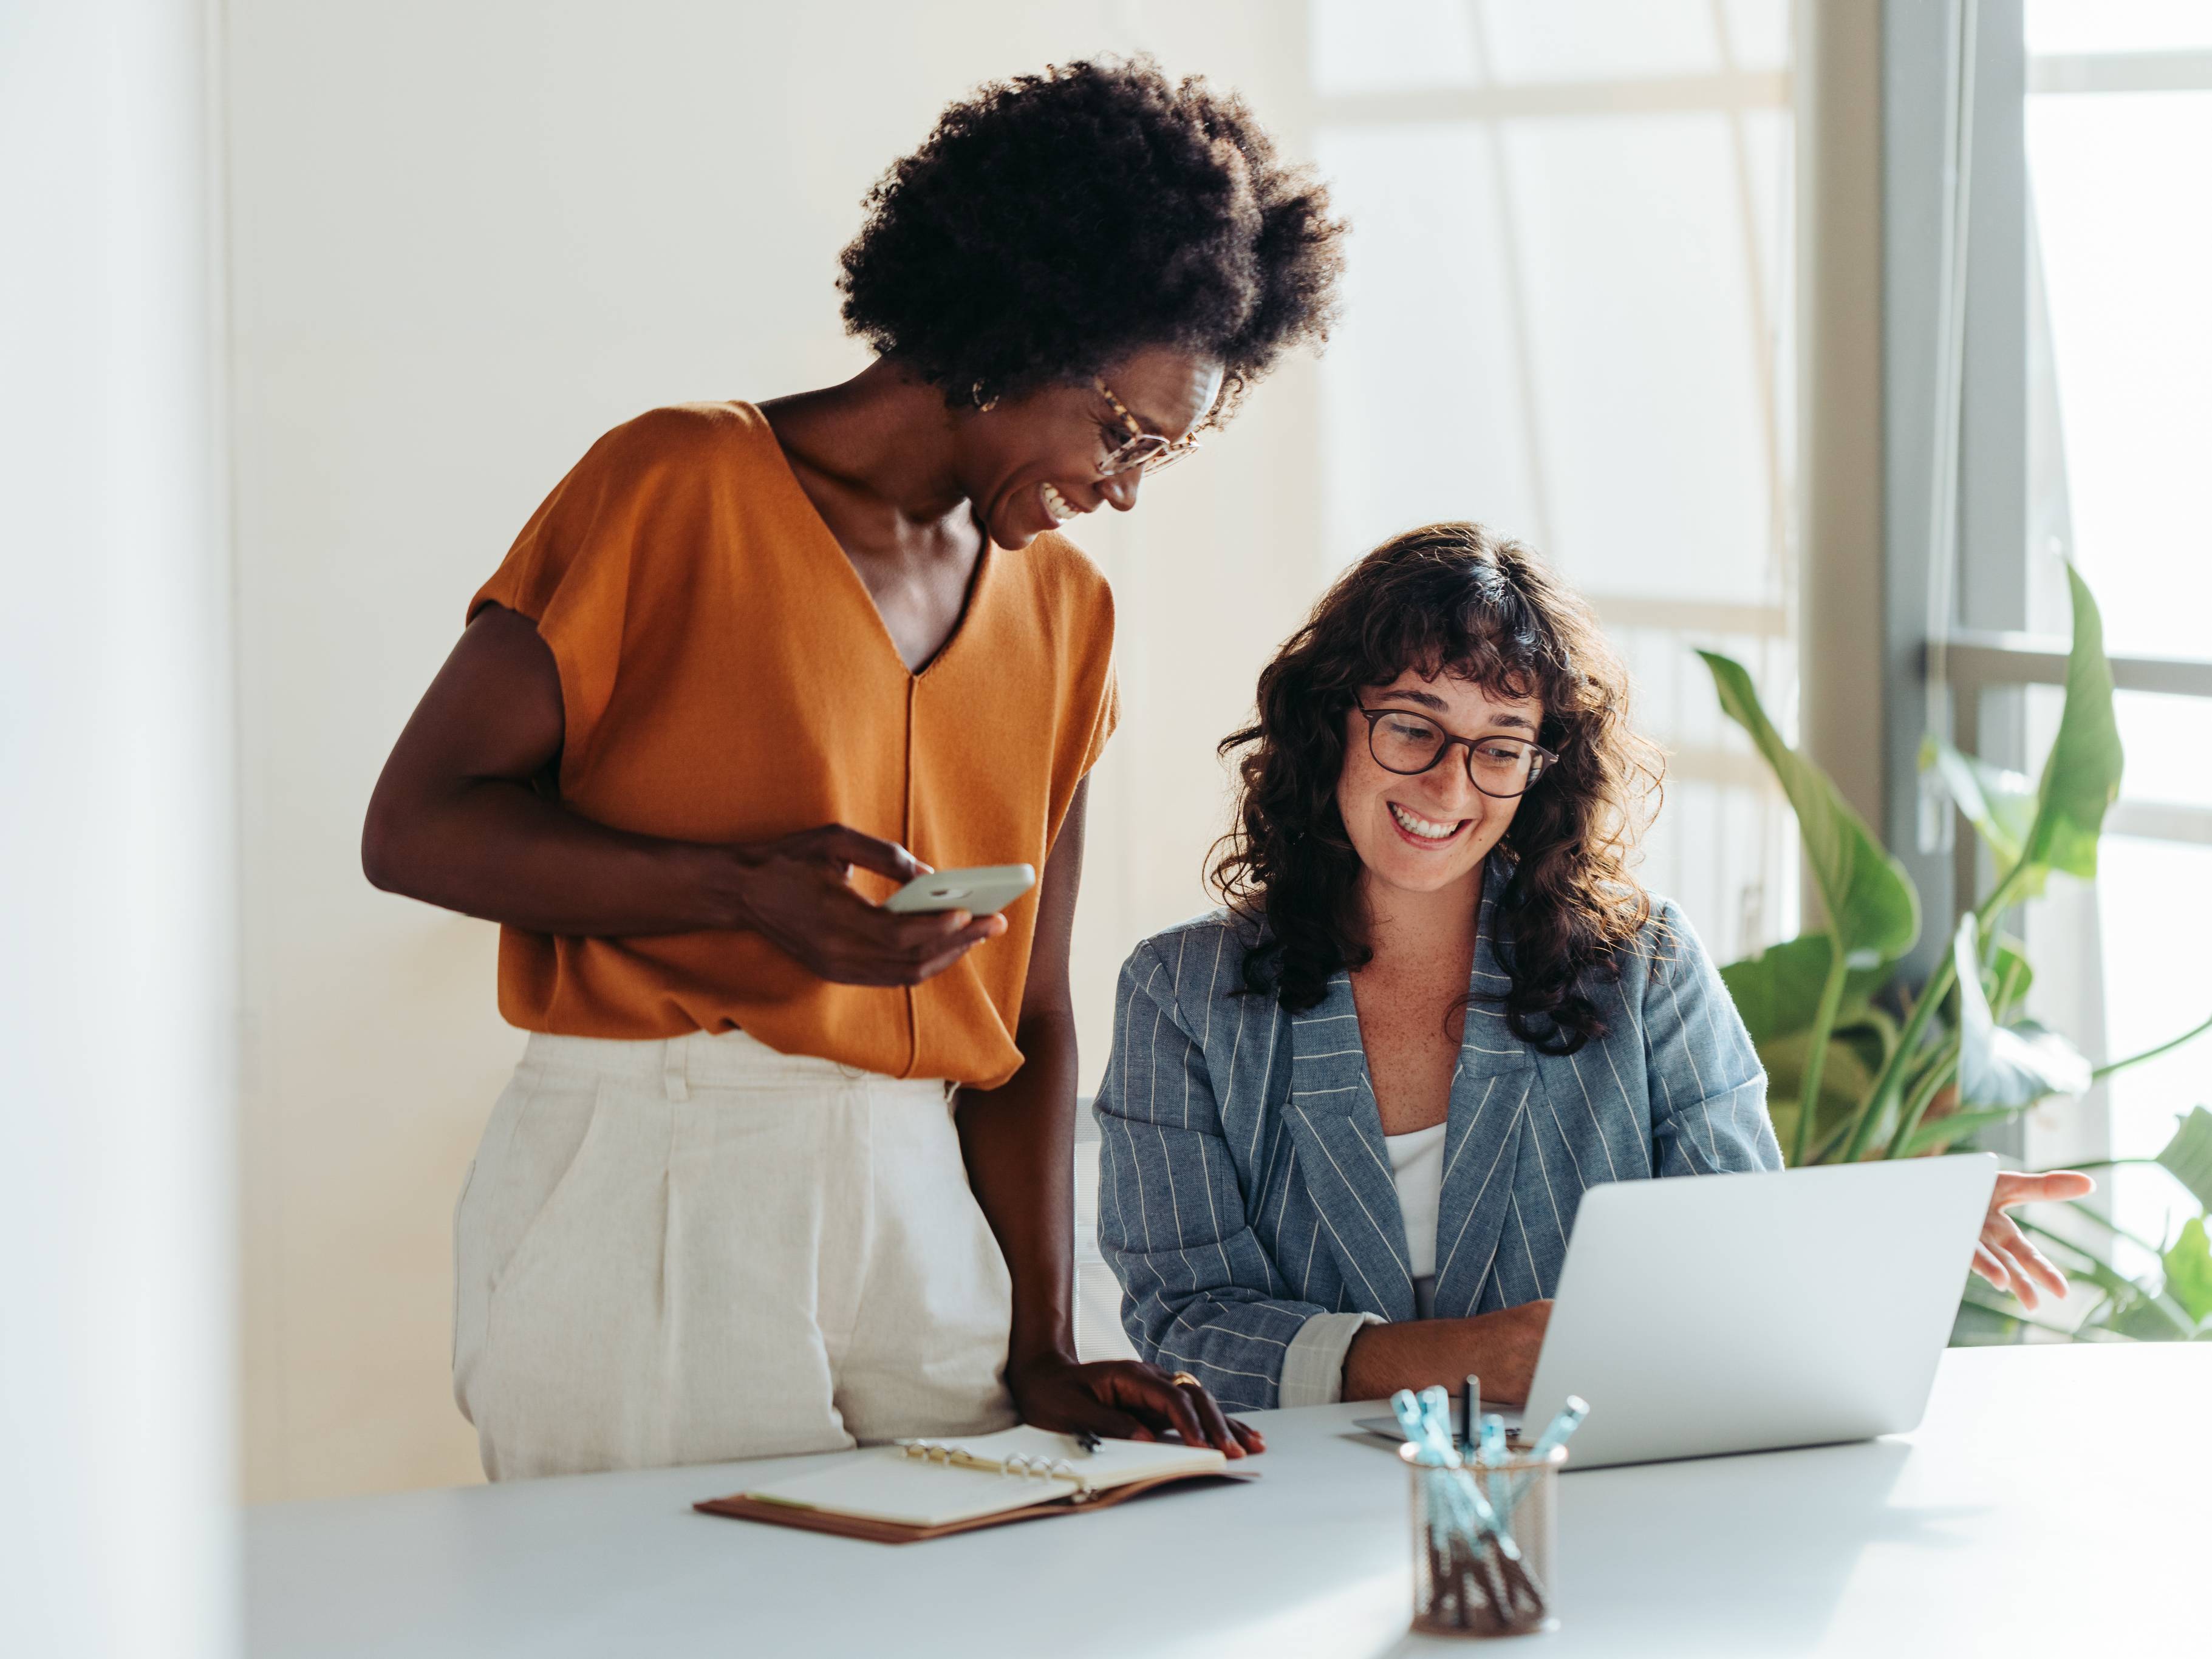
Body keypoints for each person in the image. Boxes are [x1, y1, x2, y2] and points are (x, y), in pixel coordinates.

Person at [361, 58, 1345, 1478]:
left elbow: (1031, 1015)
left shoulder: (1069, 613)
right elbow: (417, 825)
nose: (1124, 486)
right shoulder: (676, 484)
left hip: (920, 1194)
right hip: (660, 1165)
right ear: (1021, 331)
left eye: (1161, 456)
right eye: (1123, 432)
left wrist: (1045, 1344)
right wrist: (734, 892)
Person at [1094, 523, 2092, 1411]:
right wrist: (1453, 1356)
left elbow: (1728, 1251)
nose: (1450, 782)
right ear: (1331, 725)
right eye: (1410, 726)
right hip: (1290, 1510)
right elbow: (1186, 1324)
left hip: (1597, 1485)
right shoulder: (1180, 993)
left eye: (1500, 747)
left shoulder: (1643, 965)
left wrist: (1888, 1229)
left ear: (1540, 771)